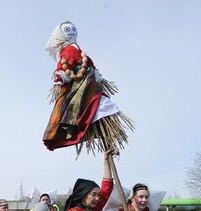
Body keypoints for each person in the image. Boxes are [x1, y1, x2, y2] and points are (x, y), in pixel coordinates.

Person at [43, 21, 133, 155]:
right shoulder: (68, 50)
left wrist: (96, 75)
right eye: (67, 30)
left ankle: (108, 141)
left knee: (98, 107)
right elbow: (66, 66)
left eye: (73, 30)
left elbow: (84, 64)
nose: (71, 33)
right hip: (81, 87)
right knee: (94, 107)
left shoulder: (75, 49)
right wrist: (61, 75)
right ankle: (107, 141)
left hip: (89, 84)